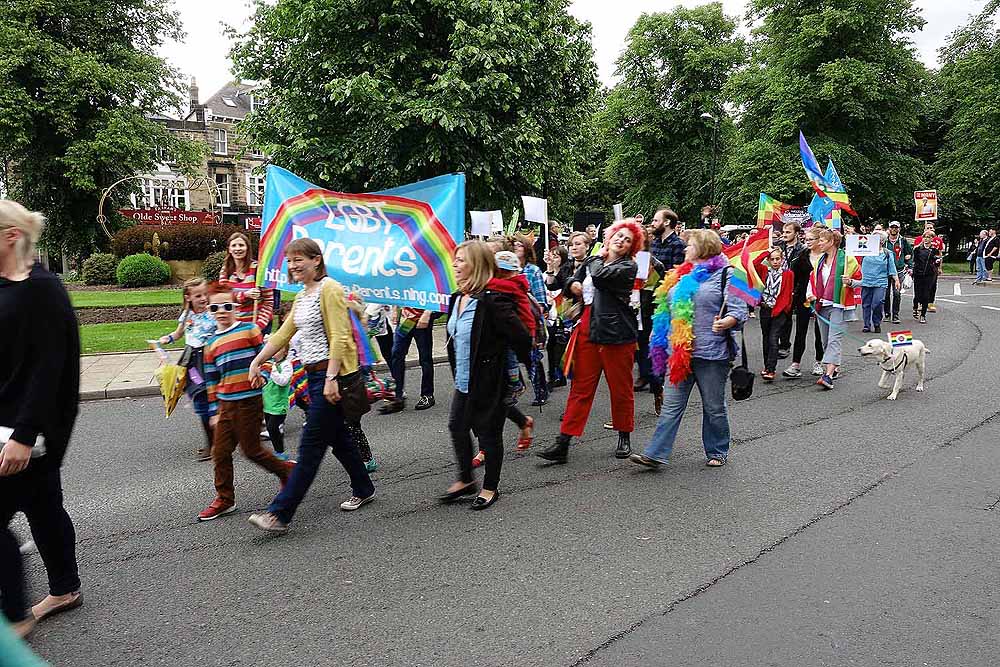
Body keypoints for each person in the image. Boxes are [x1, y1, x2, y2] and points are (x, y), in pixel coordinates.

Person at [247, 238, 376, 534]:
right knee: (339, 438)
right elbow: (283, 334)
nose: (292, 266)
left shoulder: (329, 288)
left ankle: (280, 513)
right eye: (289, 261)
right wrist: (258, 361)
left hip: (331, 377)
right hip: (315, 375)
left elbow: (341, 338)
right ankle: (364, 486)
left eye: (298, 260)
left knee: (310, 445)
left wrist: (331, 378)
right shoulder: (304, 294)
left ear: (316, 260)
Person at [0, 201, 82, 639]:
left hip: (26, 431)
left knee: (38, 505)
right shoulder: (7, 286)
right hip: (12, 425)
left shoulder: (42, 290)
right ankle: (65, 589)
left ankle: (16, 613)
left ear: (11, 235)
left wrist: (25, 435)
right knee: (44, 506)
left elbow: (49, 370)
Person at [630, 229, 748, 469]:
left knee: (714, 407)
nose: (685, 249)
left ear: (704, 248)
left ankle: (717, 450)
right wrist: (659, 330)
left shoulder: (730, 274)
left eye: (690, 245)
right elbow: (666, 306)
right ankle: (655, 453)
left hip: (712, 354)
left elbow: (742, 309)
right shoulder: (682, 274)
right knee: (671, 406)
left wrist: (728, 321)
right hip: (680, 353)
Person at [537, 219, 643, 464]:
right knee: (580, 389)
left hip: (617, 334)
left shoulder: (627, 267)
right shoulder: (593, 260)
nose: (621, 240)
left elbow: (599, 275)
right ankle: (563, 442)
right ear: (610, 237)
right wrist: (571, 283)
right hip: (587, 329)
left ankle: (624, 435)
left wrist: (591, 263)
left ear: (631, 246)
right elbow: (568, 281)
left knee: (621, 388)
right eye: (618, 235)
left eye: (627, 239)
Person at [439, 242, 531, 510]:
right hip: (464, 380)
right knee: (457, 427)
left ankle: (490, 487)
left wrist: (509, 365)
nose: (454, 265)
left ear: (476, 265)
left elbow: (521, 336)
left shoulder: (492, 300)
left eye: (460, 261)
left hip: (490, 381)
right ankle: (466, 480)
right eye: (454, 260)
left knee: (488, 435)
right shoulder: (457, 298)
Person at [197, 284, 294, 521]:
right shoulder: (210, 344)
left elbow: (266, 357)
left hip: (249, 402)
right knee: (220, 452)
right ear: (209, 310)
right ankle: (225, 499)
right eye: (216, 307)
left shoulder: (250, 330)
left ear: (236, 306)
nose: (222, 311)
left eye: (227, 306)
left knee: (251, 450)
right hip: (225, 406)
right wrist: (213, 411)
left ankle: (288, 471)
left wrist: (265, 374)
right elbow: (211, 381)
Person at [159, 278, 217, 461]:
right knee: (199, 398)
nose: (203, 298)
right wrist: (166, 339)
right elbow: (178, 333)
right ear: (188, 297)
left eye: (205, 294)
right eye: (198, 295)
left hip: (209, 359)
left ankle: (217, 443)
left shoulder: (213, 312)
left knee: (212, 399)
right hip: (192, 362)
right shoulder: (187, 314)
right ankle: (212, 442)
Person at [806, 227, 860, 390]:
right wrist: (810, 294)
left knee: (834, 339)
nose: (819, 243)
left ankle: (828, 375)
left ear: (831, 242)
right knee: (825, 341)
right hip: (822, 304)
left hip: (840, 305)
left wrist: (850, 282)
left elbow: (861, 281)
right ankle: (834, 367)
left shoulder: (849, 260)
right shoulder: (819, 261)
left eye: (822, 240)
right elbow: (812, 280)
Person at [783, 226, 826, 379]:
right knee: (800, 331)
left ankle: (819, 362)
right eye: (805, 239)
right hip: (803, 298)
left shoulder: (827, 257)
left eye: (810, 239)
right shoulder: (801, 256)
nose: (807, 242)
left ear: (819, 241)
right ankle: (795, 364)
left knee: (819, 332)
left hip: (821, 298)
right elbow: (793, 277)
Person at [378, 306, 436, 414]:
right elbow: (401, 290)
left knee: (425, 358)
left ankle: (427, 395)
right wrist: (395, 309)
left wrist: (427, 313)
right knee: (396, 354)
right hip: (407, 320)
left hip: (422, 320)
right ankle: (398, 395)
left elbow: (435, 293)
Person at [513, 234, 549, 406]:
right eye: (514, 244)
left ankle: (540, 390)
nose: (516, 247)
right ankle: (515, 386)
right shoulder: (506, 270)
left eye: (520, 244)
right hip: (512, 320)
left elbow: (541, 301)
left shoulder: (532, 271)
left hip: (527, 320)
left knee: (531, 358)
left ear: (527, 248)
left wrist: (534, 322)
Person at [219, 231, 273, 331]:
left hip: (257, 324)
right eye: (234, 245)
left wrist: (258, 326)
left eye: (241, 245)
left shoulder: (258, 269)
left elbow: (269, 301)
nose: (238, 248)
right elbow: (222, 298)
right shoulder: (225, 270)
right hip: (234, 325)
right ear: (229, 249)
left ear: (247, 248)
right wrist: (245, 295)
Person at [758, 247, 793, 382]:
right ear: (768, 260)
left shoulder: (788, 274)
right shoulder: (764, 271)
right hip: (765, 309)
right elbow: (754, 263)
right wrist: (765, 251)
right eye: (772, 259)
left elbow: (788, 293)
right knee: (766, 338)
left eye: (777, 259)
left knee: (773, 338)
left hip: (779, 310)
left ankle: (771, 369)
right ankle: (767, 366)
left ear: (782, 259)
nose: (775, 261)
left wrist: (785, 308)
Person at [542, 244, 571, 389]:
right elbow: (549, 286)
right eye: (552, 255)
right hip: (551, 314)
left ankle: (558, 376)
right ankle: (554, 375)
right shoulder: (549, 272)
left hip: (564, 314)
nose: (553, 258)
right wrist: (549, 268)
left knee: (560, 346)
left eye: (556, 256)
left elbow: (562, 288)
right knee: (551, 345)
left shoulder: (568, 271)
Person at [775, 222, 805, 357]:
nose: (784, 234)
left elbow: (803, 272)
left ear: (796, 233)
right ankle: (778, 343)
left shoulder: (802, 249)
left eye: (788, 232)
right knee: (778, 316)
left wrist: (796, 289)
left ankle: (785, 345)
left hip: (794, 287)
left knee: (787, 317)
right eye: (784, 232)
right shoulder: (778, 246)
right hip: (778, 285)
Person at [859, 232, 900, 333]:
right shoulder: (865, 250)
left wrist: (896, 279)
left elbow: (892, 268)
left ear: (882, 241)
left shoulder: (887, 253)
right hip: (866, 281)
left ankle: (877, 322)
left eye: (876, 238)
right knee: (866, 304)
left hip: (880, 281)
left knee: (877, 303)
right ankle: (866, 325)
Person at [260, 347, 293, 461]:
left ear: (285, 352)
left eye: (278, 350)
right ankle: (277, 452)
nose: (274, 352)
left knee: (272, 427)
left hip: (279, 405)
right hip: (268, 404)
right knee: (271, 429)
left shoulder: (286, 365)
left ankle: (280, 452)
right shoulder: (270, 364)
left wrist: (272, 370)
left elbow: (282, 382)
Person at [884, 221, 912, 323]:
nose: (894, 229)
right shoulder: (884, 241)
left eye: (896, 227)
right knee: (885, 294)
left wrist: (909, 264)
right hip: (886, 271)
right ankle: (887, 314)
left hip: (899, 270)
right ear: (889, 228)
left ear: (899, 229)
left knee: (897, 293)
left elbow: (910, 253)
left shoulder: (903, 241)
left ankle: (895, 315)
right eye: (892, 227)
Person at [913, 225, 944, 312]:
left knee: (932, 286)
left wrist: (939, 267)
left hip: (931, 269)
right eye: (927, 228)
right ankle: (919, 303)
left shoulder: (938, 240)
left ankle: (930, 303)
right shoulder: (919, 239)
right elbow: (915, 253)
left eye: (931, 228)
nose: (929, 230)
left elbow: (940, 255)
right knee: (920, 287)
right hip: (920, 269)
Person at [911, 235, 940, 324]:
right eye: (925, 237)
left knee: (926, 295)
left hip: (929, 275)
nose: (926, 239)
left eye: (929, 237)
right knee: (917, 295)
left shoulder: (934, 250)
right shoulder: (917, 249)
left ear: (932, 239)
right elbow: (914, 261)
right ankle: (915, 307)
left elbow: (936, 262)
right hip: (918, 275)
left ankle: (923, 315)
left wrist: (937, 262)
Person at [649, 208, 686, 272]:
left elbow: (676, 273)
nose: (652, 224)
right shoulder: (654, 242)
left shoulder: (678, 244)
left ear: (666, 222)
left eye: (656, 221)